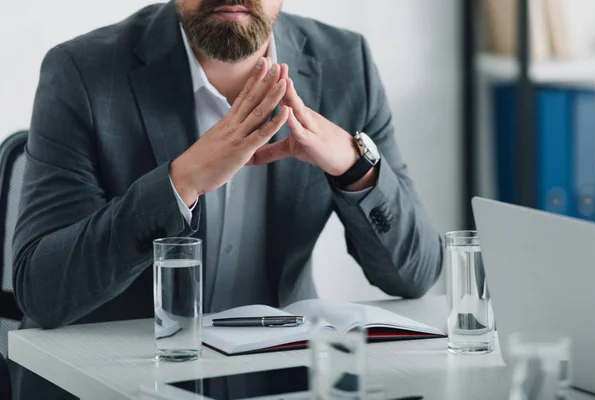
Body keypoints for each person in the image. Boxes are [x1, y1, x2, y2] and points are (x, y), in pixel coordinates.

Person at [11, 0, 443, 398]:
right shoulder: (82, 70)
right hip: (116, 383)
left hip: (279, 382)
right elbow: (42, 291)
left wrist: (356, 167)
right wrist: (179, 183)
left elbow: (416, 274)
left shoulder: (346, 63)